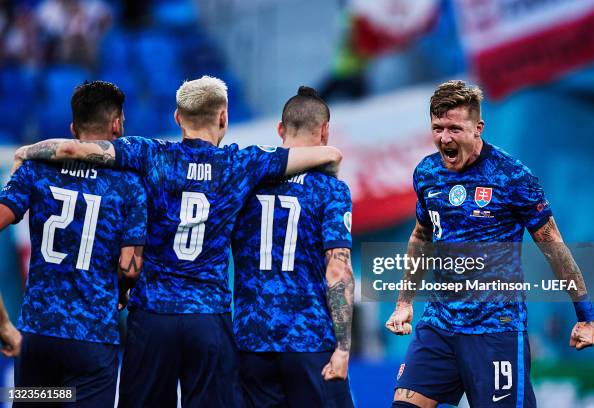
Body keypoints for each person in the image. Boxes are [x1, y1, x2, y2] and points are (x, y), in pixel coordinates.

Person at [13, 75, 344, 407]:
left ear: (177, 118)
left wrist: (26, 151)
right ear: (223, 117)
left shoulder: (149, 153)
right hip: (208, 317)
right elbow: (317, 157)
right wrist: (332, 154)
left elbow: (71, 148)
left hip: (152, 316)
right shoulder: (240, 163)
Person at [385, 80, 594, 408]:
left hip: (495, 328)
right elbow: (421, 236)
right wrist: (404, 302)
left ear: (478, 128)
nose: (444, 138)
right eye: (437, 128)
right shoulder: (426, 173)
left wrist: (585, 315)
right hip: (439, 324)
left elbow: (552, 245)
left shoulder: (512, 177)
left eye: (454, 128)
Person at [0, 80, 147, 407]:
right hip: (92, 341)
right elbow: (129, 267)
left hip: (38, 337)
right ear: (117, 125)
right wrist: (121, 292)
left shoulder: (36, 169)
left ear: (72, 127)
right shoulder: (128, 184)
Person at [232, 86, 355, 408]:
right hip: (310, 340)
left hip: (251, 339)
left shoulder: (244, 184)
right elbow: (338, 269)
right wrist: (343, 347)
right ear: (325, 131)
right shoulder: (331, 189)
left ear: (280, 129)